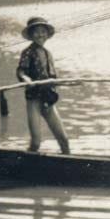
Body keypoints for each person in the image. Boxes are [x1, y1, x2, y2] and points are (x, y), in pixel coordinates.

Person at [18, 16, 72, 155]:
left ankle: (67, 167)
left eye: (43, 31)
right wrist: (27, 79)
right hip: (34, 100)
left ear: (47, 34)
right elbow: (21, 71)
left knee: (64, 140)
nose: (40, 34)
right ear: (31, 35)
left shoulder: (48, 54)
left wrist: (67, 82)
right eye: (36, 32)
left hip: (48, 100)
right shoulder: (27, 52)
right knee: (36, 142)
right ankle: (23, 166)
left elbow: (52, 78)